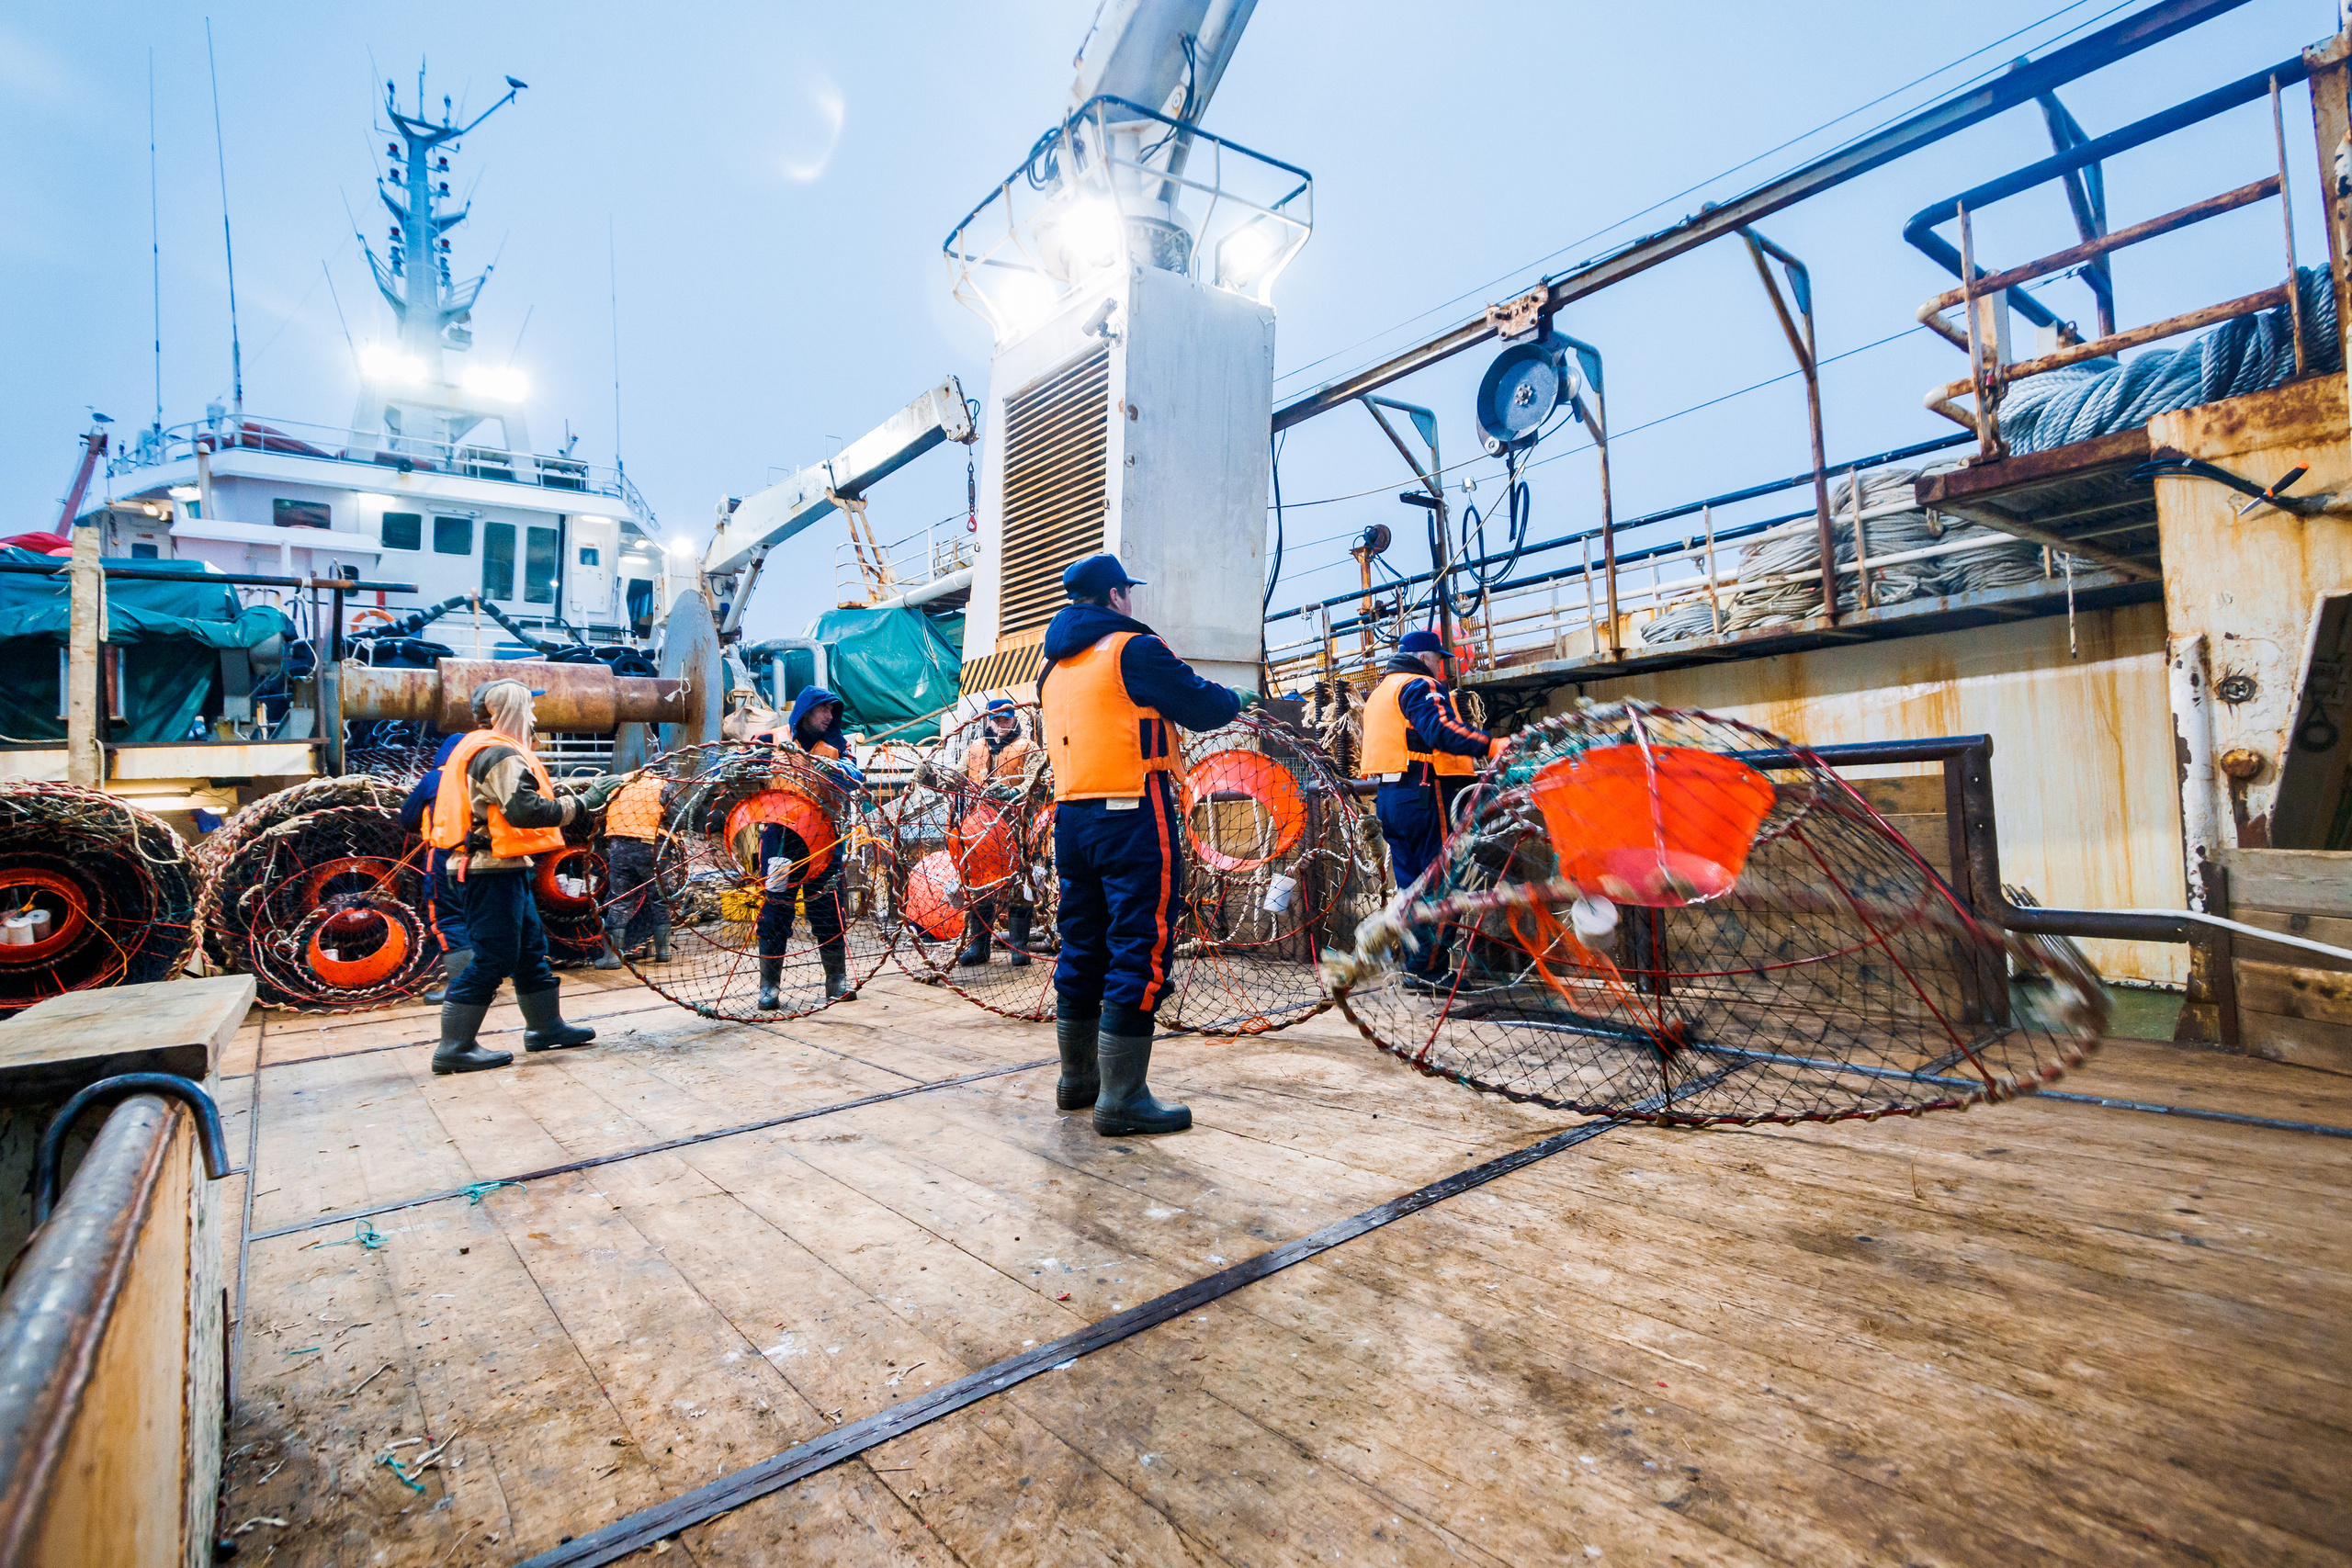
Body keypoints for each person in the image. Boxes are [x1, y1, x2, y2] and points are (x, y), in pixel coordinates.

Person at [1037, 553, 1245, 1135]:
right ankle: (1123, 1099)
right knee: (1139, 943)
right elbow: (1201, 705)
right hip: (1133, 810)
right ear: (1113, 597)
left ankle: (1077, 1081)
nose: (1132, 603)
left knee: (1081, 943)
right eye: (1127, 593)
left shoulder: (1051, 668)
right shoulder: (1132, 648)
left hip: (1072, 818)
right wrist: (1238, 701)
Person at [424, 680, 619, 1074]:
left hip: (505, 868)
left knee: (530, 951)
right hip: (486, 872)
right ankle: (454, 1048)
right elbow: (524, 811)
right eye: (528, 707)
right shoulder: (498, 753)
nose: (533, 715)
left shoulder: (488, 748)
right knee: (494, 957)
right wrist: (584, 802)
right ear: (509, 709)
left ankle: (545, 1028)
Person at [1359, 627, 1503, 987]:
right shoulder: (1419, 685)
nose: (1442, 668)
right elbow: (1439, 730)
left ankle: (1416, 965)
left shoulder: (1381, 693)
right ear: (1425, 658)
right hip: (1426, 794)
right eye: (1439, 659)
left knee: (1413, 890)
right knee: (1442, 885)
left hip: (1391, 798)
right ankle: (1430, 971)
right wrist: (1491, 745)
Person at [754, 684, 863, 1010]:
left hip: (822, 843)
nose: (830, 716)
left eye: (833, 711)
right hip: (780, 843)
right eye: (824, 709)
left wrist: (836, 769)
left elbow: (856, 776)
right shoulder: (769, 740)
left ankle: (837, 982)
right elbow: (735, 765)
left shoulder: (837, 746)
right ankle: (769, 987)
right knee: (775, 912)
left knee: (828, 910)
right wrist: (742, 767)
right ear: (805, 710)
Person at [956, 696, 1039, 970]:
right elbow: (956, 777)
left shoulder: (1028, 747)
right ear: (988, 721)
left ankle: (1019, 946)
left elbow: (1037, 779)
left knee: (1020, 885)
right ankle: (978, 947)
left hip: (1017, 827)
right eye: (996, 719)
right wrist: (930, 777)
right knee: (979, 886)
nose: (1001, 724)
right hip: (979, 830)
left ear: (1014, 719)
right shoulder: (975, 748)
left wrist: (1015, 792)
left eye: (1006, 719)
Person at [399, 722, 476, 1004]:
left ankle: (463, 989)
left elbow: (406, 818)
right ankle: (484, 980)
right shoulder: (481, 775)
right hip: (484, 856)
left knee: (447, 918)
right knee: (477, 916)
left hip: (445, 854)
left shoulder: (434, 778)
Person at [594, 768, 673, 969]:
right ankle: (663, 952)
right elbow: (678, 817)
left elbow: (601, 813)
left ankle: (612, 958)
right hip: (653, 847)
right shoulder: (664, 785)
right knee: (660, 898)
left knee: (620, 899)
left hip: (620, 847)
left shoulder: (621, 781)